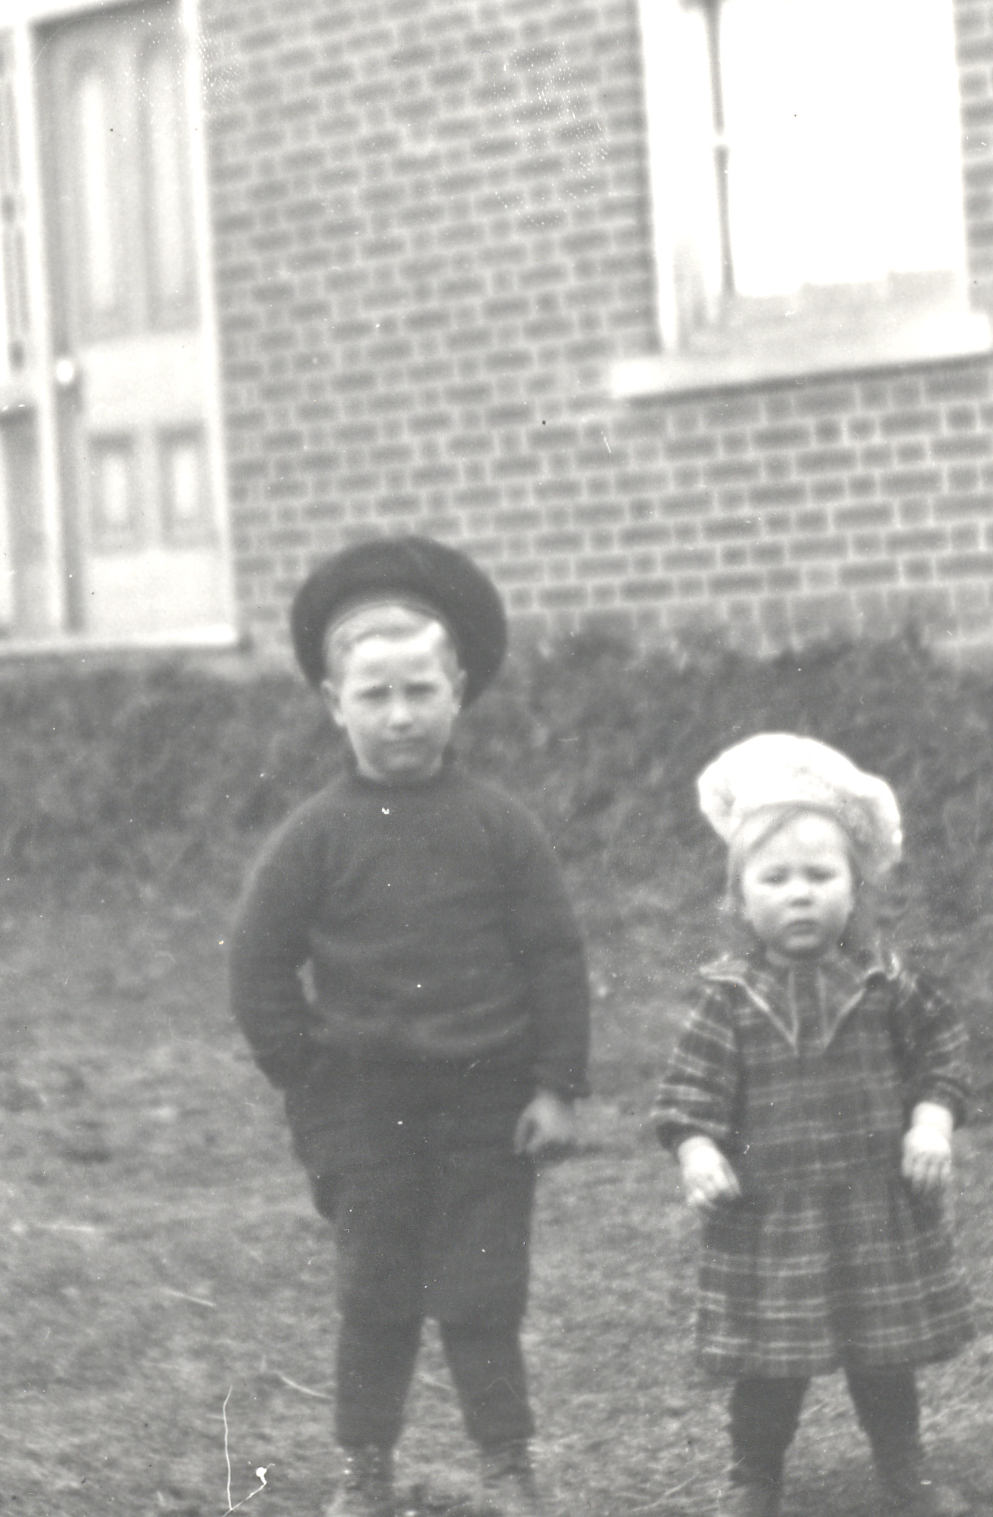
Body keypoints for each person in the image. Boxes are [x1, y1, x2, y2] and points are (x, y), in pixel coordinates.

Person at [228, 534, 589, 1517]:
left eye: (419, 691)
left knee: (483, 1294)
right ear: (333, 702)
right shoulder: (315, 836)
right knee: (375, 1294)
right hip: (364, 1105)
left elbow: (554, 956)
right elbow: (257, 960)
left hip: (488, 1100)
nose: (399, 716)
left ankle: (505, 1465)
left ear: (457, 691)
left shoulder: (498, 826)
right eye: (375, 695)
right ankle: (366, 1470)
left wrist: (556, 1086)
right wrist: (304, 1071)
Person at [654, 734, 974, 1517]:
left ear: (855, 890)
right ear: (739, 900)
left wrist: (931, 1122)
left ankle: (903, 1467)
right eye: (775, 878)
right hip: (772, 1218)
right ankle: (754, 1477)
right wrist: (698, 1151)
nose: (799, 894)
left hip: (871, 1209)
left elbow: (943, 1053)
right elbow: (686, 1094)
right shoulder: (729, 997)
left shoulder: (886, 984)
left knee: (884, 1355)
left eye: (820, 876)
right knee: (770, 1365)